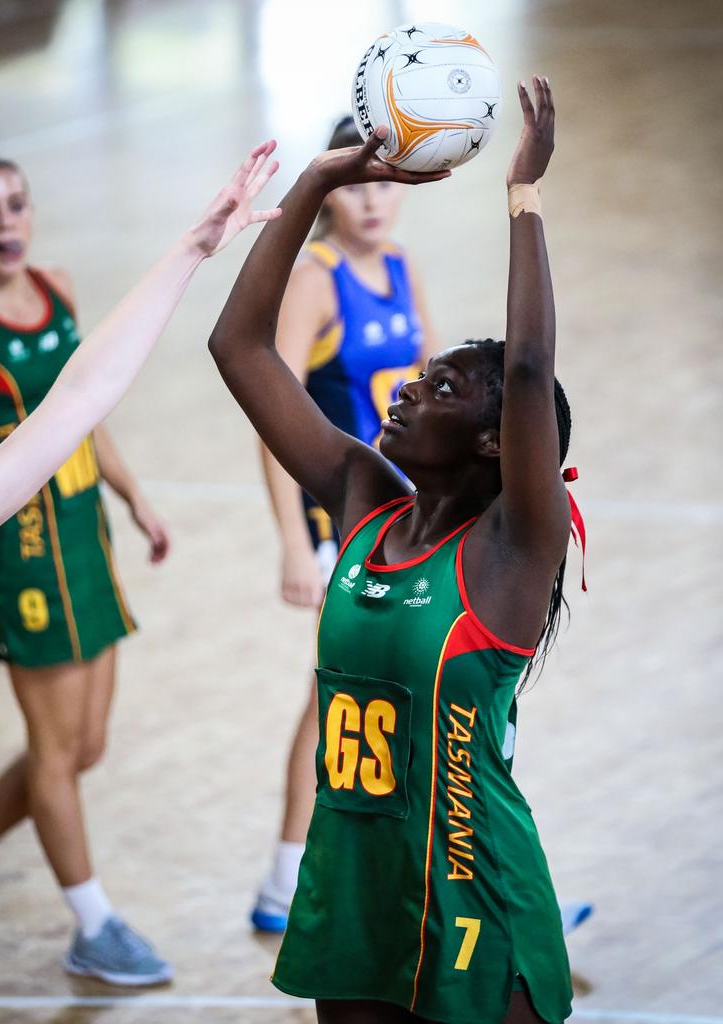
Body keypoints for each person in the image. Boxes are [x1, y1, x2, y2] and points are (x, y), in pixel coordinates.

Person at [209, 76, 572, 1024]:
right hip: (355, 885)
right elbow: (240, 349)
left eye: (443, 389)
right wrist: (316, 184)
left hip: (473, 890)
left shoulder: (511, 553)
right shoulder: (365, 497)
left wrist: (522, 198)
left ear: (496, 441)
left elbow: (530, 368)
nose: (411, 385)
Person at [0, 141, 280, 984]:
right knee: (55, 751)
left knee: (80, 745)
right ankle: (92, 921)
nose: (4, 222)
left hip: (76, 526)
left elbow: (82, 397)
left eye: (14, 202)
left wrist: (195, 246)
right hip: (22, 556)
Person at [253, 115, 440, 932]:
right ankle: (285, 878)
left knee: (394, 692)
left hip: (408, 521)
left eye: (383, 186)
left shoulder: (401, 267)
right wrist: (296, 541)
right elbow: (273, 411)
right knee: (336, 695)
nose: (371, 203)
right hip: (344, 526)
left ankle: (412, 873)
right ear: (332, 192)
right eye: (356, 185)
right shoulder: (315, 279)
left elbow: (434, 393)